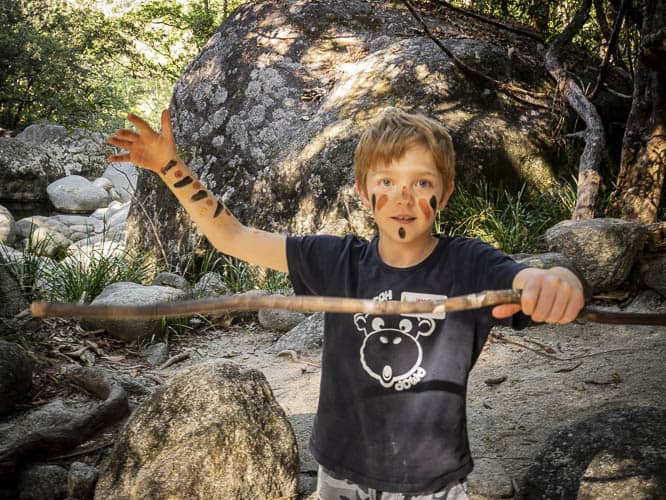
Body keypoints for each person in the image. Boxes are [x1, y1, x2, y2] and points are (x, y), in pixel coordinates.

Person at [107, 107, 584, 499]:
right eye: (386, 181)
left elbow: (531, 280)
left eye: (422, 182)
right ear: (362, 191)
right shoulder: (337, 261)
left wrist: (559, 281)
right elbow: (232, 236)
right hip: (339, 471)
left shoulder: (470, 264)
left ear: (445, 192)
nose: (403, 197)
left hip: (433, 480)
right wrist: (170, 167)